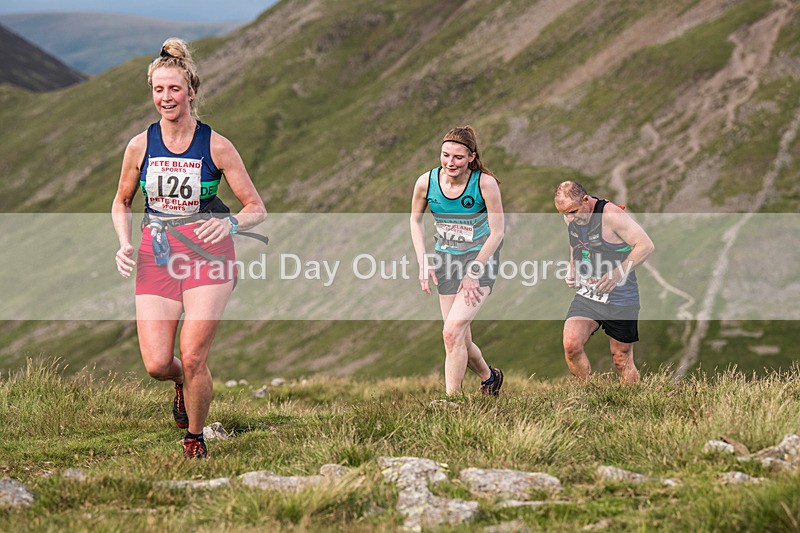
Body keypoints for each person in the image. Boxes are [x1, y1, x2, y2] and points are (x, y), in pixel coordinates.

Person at [112, 38, 266, 458]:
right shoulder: (140, 145)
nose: (166, 98)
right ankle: (181, 383)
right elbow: (122, 200)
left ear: (191, 92)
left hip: (208, 256)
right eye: (158, 90)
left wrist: (231, 223)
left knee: (193, 354)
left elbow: (257, 207)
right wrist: (125, 243)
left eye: (174, 89)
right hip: (156, 254)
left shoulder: (216, 145)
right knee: (158, 364)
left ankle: (195, 437)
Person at [410, 126, 505, 396]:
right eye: (445, 155)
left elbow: (497, 232)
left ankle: (453, 403)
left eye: (458, 157)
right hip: (446, 259)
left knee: (451, 333)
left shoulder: (484, 184)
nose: (450, 163)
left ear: (472, 158)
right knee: (459, 337)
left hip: (481, 259)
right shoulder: (426, 182)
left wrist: (474, 271)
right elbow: (415, 220)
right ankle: (490, 378)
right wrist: (423, 260)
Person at [554, 181, 654, 384]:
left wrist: (617, 274)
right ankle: (589, 395)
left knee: (621, 358)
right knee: (571, 345)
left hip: (621, 295)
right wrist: (572, 269)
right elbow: (576, 243)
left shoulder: (611, 216)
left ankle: (633, 405)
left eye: (573, 211)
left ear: (585, 200)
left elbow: (645, 245)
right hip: (589, 294)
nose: (570, 218)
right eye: (564, 214)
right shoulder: (572, 218)